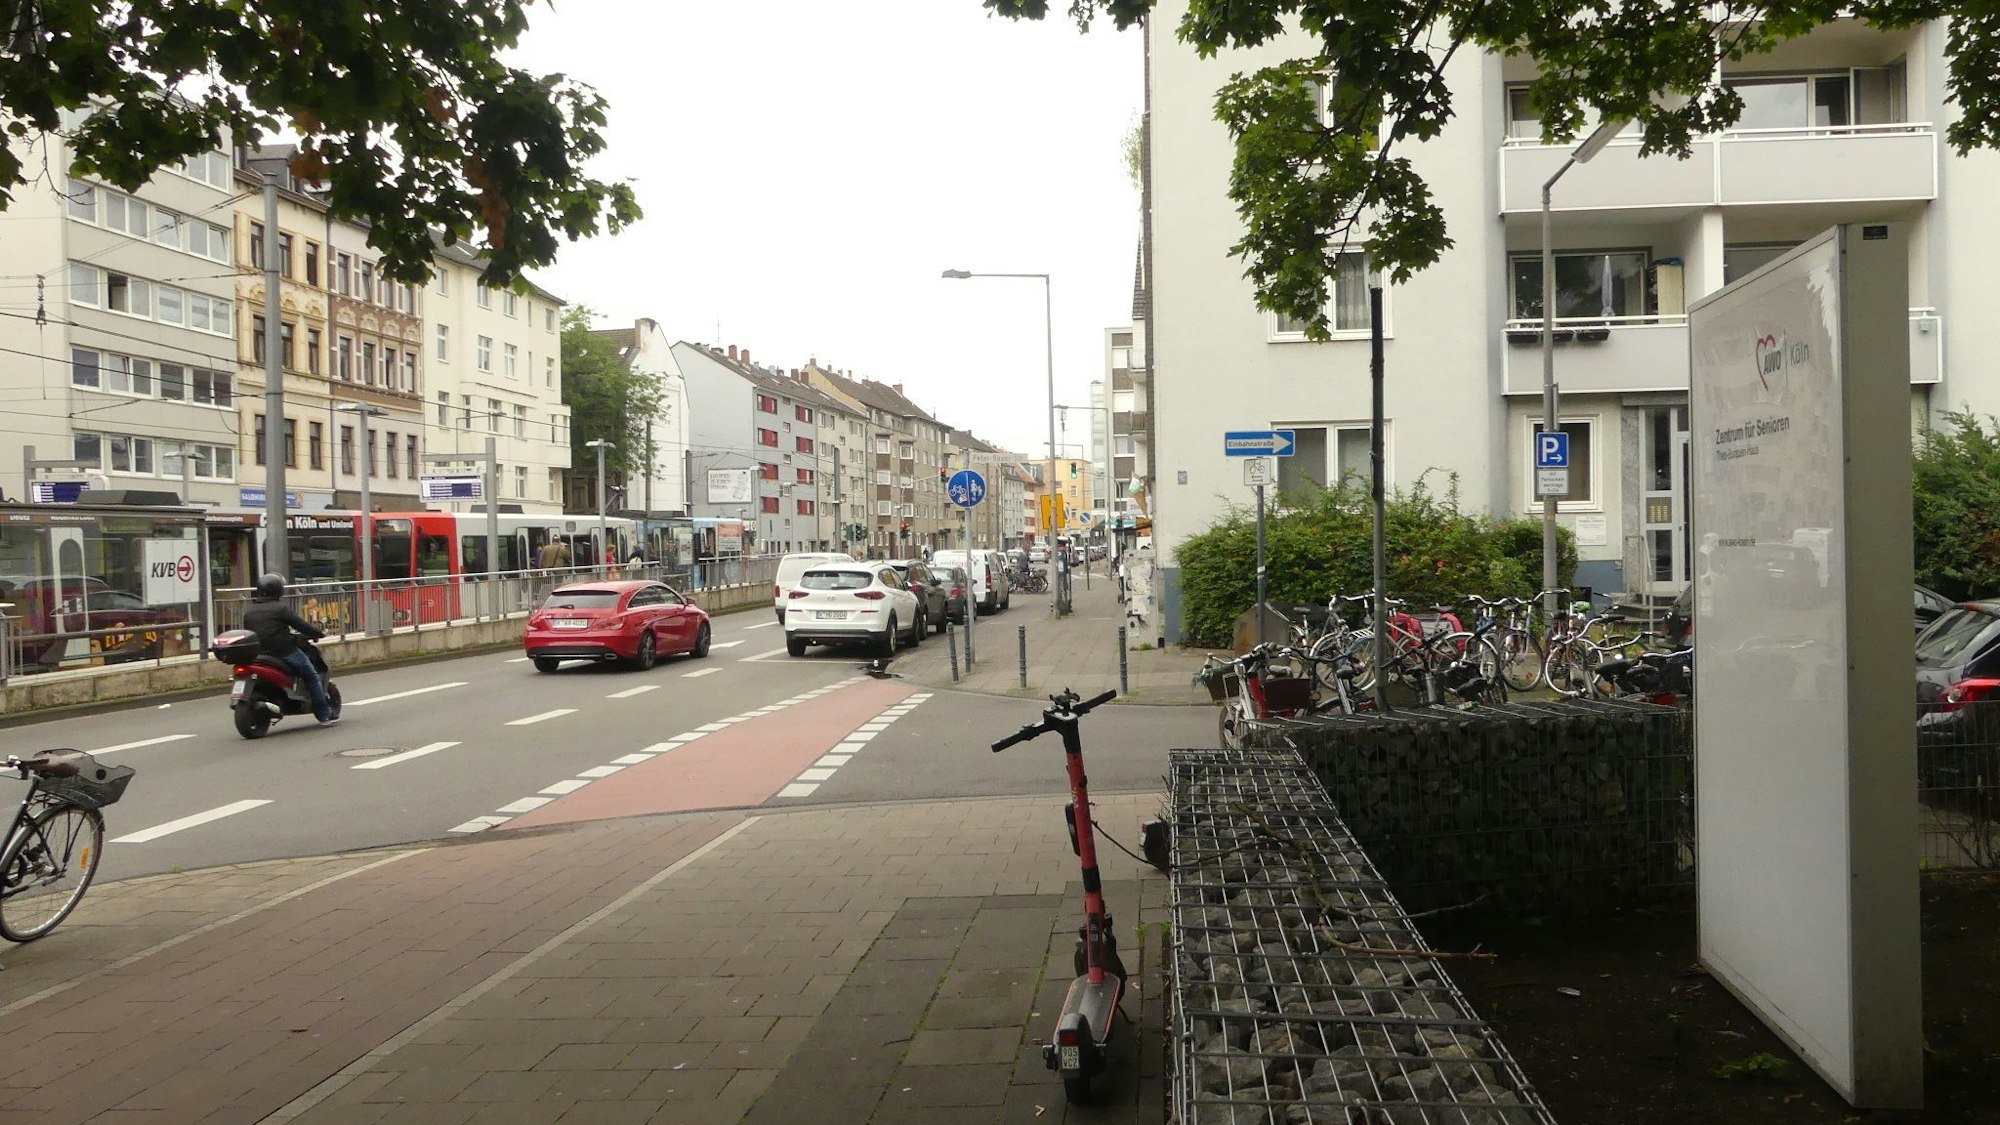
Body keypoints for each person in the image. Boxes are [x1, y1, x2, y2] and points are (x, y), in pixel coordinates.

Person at [241, 573, 335, 725]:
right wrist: (318, 633)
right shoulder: (281, 608)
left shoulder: (249, 611)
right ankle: (324, 714)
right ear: (278, 590)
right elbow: (301, 625)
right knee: (311, 675)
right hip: (283, 652)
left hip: (259, 654)